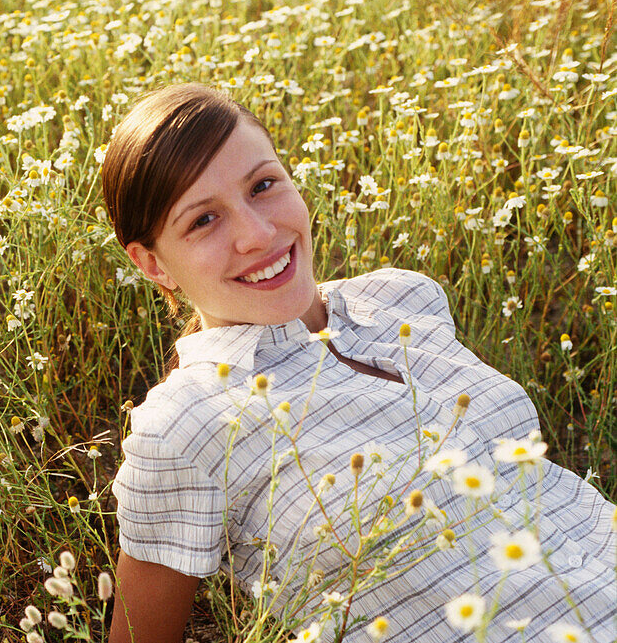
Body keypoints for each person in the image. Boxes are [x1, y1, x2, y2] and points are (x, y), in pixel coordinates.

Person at [101, 83, 617, 643]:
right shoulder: (185, 425)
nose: (257, 233)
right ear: (153, 264)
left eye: (264, 185)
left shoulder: (404, 297)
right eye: (203, 220)